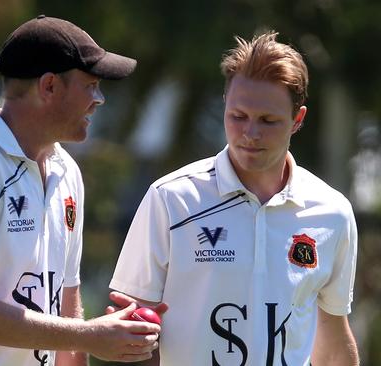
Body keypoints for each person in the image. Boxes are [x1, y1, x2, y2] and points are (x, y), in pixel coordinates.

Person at [0, 15, 162, 366]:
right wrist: (91, 335)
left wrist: (85, 338)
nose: (98, 99)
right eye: (90, 85)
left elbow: (68, 305)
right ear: (49, 86)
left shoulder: (67, 171)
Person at [110, 31, 360, 365]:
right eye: (237, 116)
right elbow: (133, 335)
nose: (250, 134)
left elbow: (332, 343)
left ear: (297, 120)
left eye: (268, 121)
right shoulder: (171, 198)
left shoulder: (333, 212)